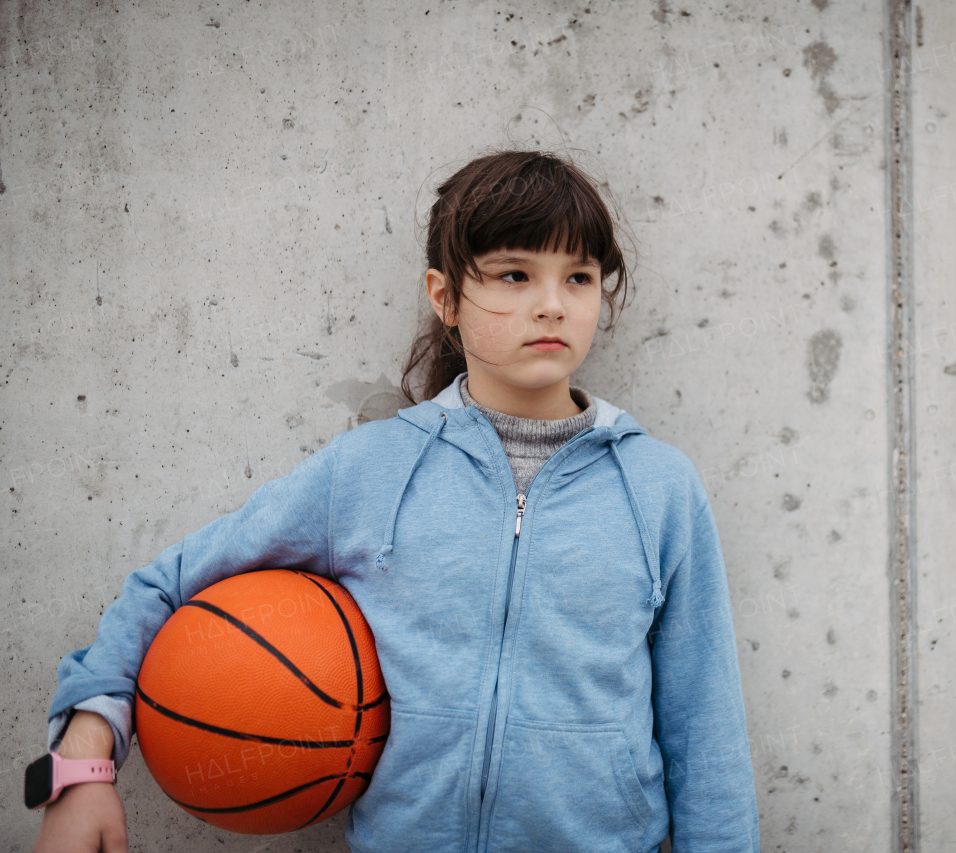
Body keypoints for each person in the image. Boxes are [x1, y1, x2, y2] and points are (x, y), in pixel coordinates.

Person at [32, 150, 759, 853]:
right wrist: (82, 765)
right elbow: (165, 586)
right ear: (444, 296)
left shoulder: (659, 487)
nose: (551, 303)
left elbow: (706, 729)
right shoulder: (370, 470)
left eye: (578, 277)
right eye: (513, 274)